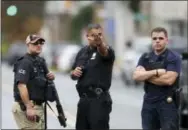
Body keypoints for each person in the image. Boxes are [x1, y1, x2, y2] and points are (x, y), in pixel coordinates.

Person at [133, 27, 182, 130]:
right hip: (149, 103)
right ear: (151, 40)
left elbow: (168, 80)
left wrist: (145, 75)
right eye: (154, 38)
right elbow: (136, 76)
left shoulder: (173, 57)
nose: (157, 41)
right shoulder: (145, 57)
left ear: (166, 40)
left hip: (167, 104)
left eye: (161, 38)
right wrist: (155, 72)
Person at [70, 23, 115, 130]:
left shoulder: (106, 50)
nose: (97, 37)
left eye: (99, 34)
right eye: (93, 35)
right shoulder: (82, 52)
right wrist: (73, 73)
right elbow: (73, 73)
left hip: (98, 100)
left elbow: (103, 51)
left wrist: (99, 42)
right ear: (87, 36)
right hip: (84, 100)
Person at [12, 34, 55, 129]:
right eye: (35, 43)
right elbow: (21, 85)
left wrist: (49, 77)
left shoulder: (39, 61)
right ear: (28, 44)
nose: (39, 45)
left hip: (37, 106)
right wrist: (29, 107)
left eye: (41, 43)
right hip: (27, 106)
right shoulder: (25, 62)